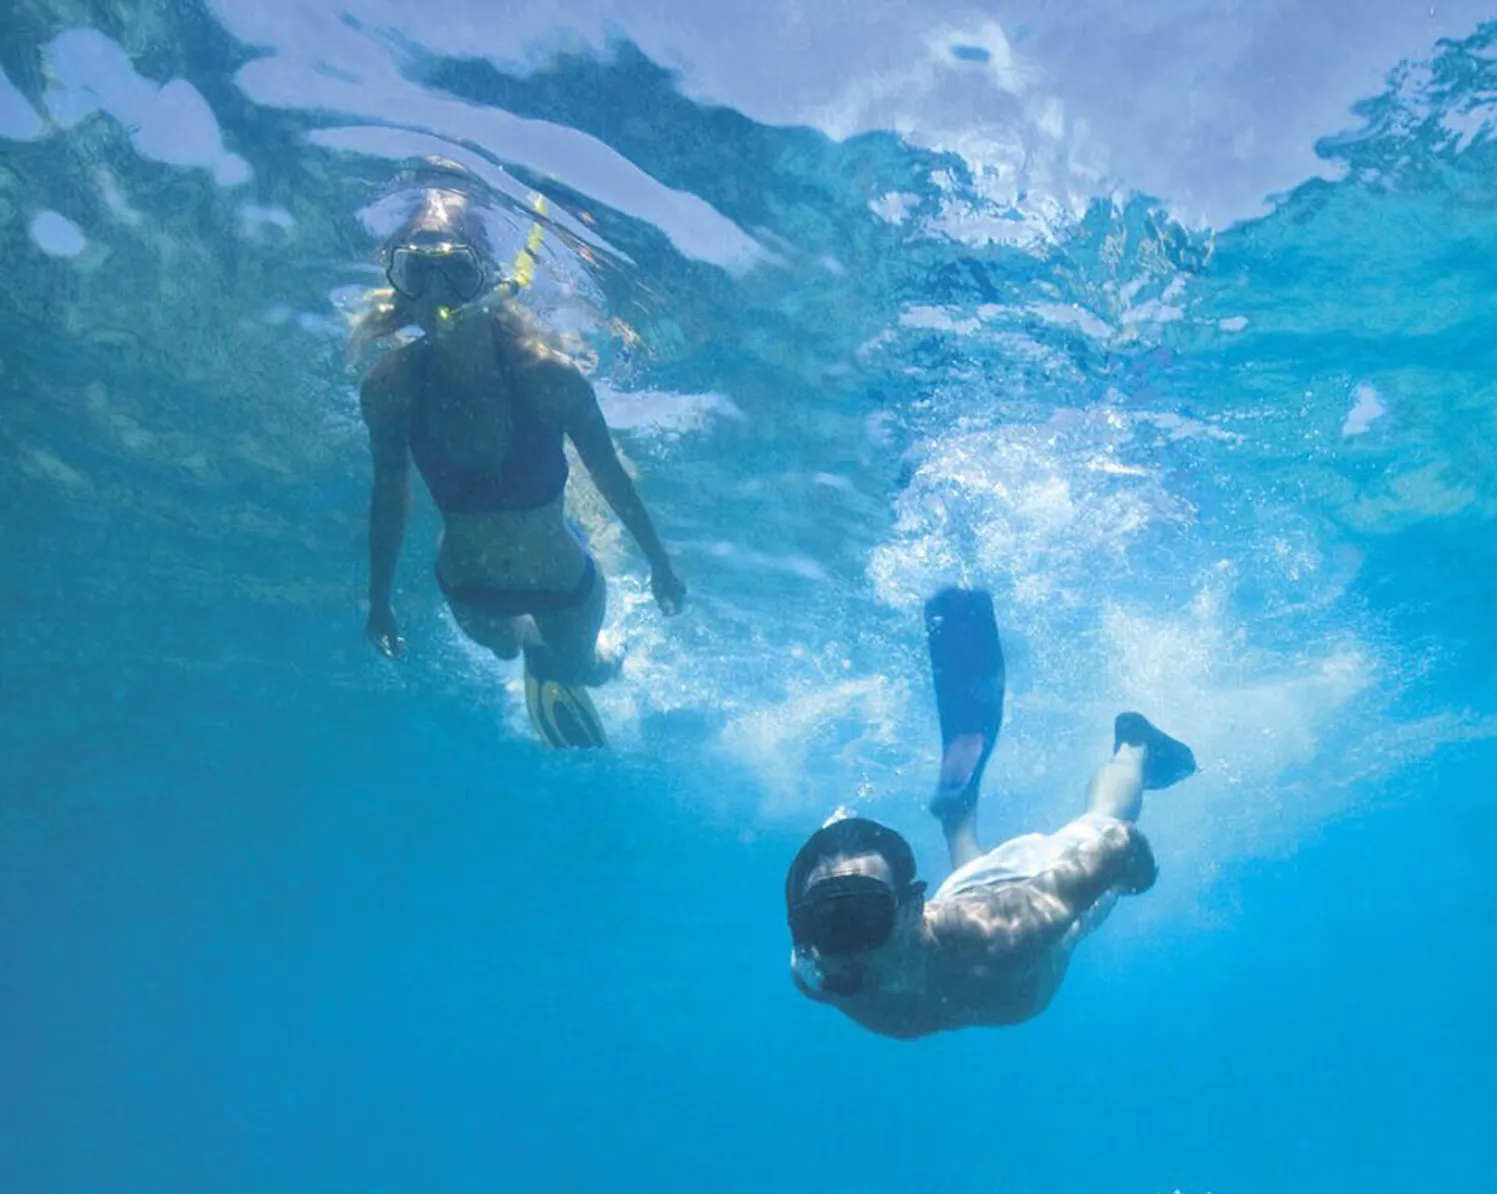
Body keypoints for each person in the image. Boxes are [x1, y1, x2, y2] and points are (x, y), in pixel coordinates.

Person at [354, 184, 685, 748]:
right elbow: (390, 498)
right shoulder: (390, 387)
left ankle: (610, 654)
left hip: (562, 581)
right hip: (467, 587)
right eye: (416, 273)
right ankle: (532, 651)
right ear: (399, 287)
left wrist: (659, 562)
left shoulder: (550, 377)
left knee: (583, 670)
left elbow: (609, 476)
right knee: (506, 646)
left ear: (487, 279)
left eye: (456, 272)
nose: (438, 294)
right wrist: (379, 601)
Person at [786, 587, 1196, 1038]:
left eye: (864, 915)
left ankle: (1134, 746)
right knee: (971, 877)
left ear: (912, 910)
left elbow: (1119, 845)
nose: (847, 945)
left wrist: (1138, 877)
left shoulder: (1009, 934)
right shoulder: (816, 973)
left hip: (1032, 882)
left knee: (1104, 818)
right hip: (964, 896)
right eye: (821, 921)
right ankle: (955, 813)